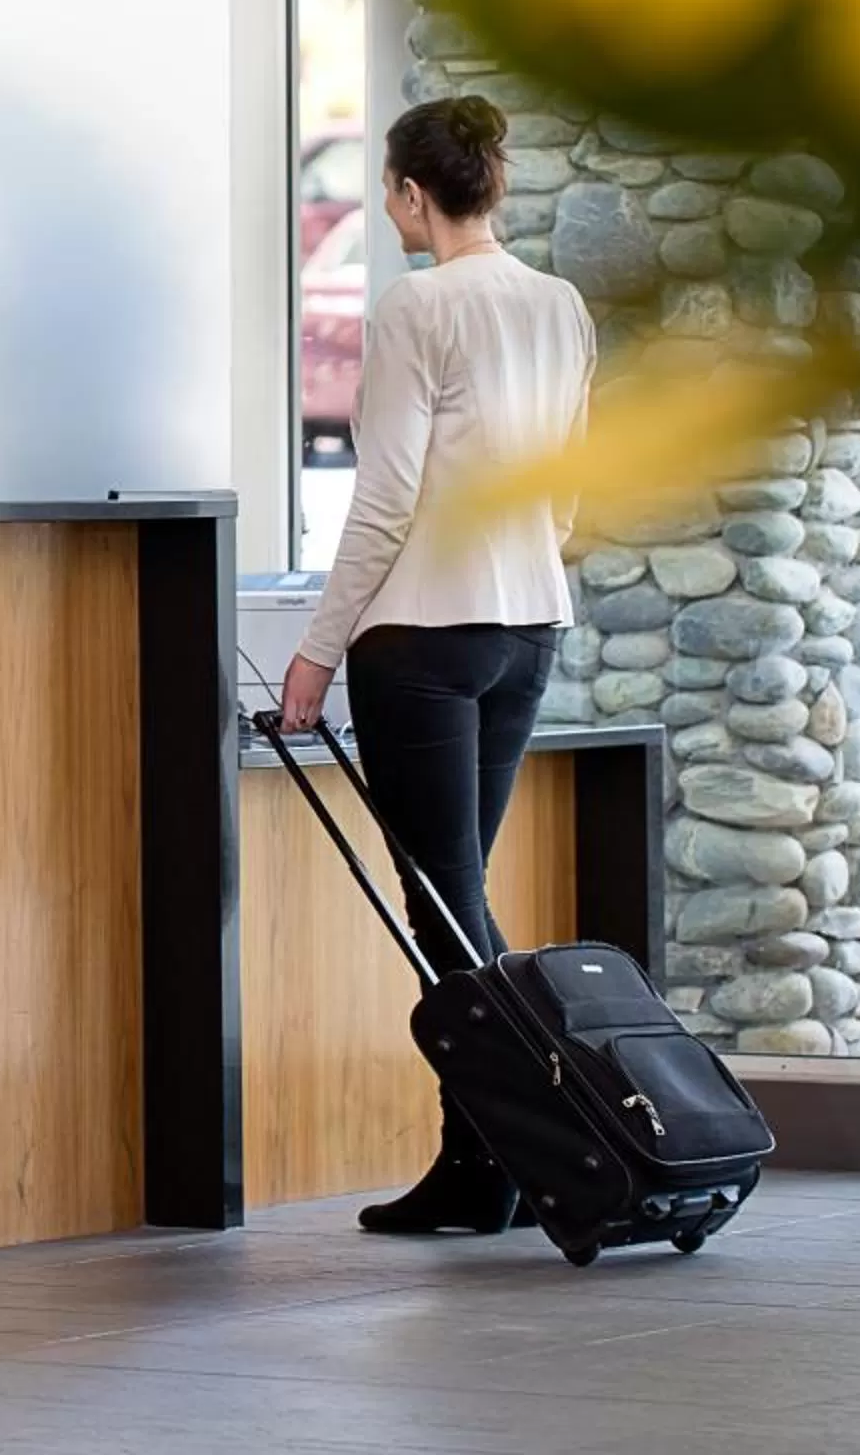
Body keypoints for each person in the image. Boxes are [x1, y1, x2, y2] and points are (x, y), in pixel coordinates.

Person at [276, 93, 596, 1238]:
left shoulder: (417, 306)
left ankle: (507, 1155)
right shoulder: (559, 303)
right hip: (527, 625)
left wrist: (314, 651)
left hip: (422, 636)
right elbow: (562, 483)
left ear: (413, 193)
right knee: (459, 904)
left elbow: (384, 498)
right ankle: (499, 1153)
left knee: (447, 910)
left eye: (389, 190)